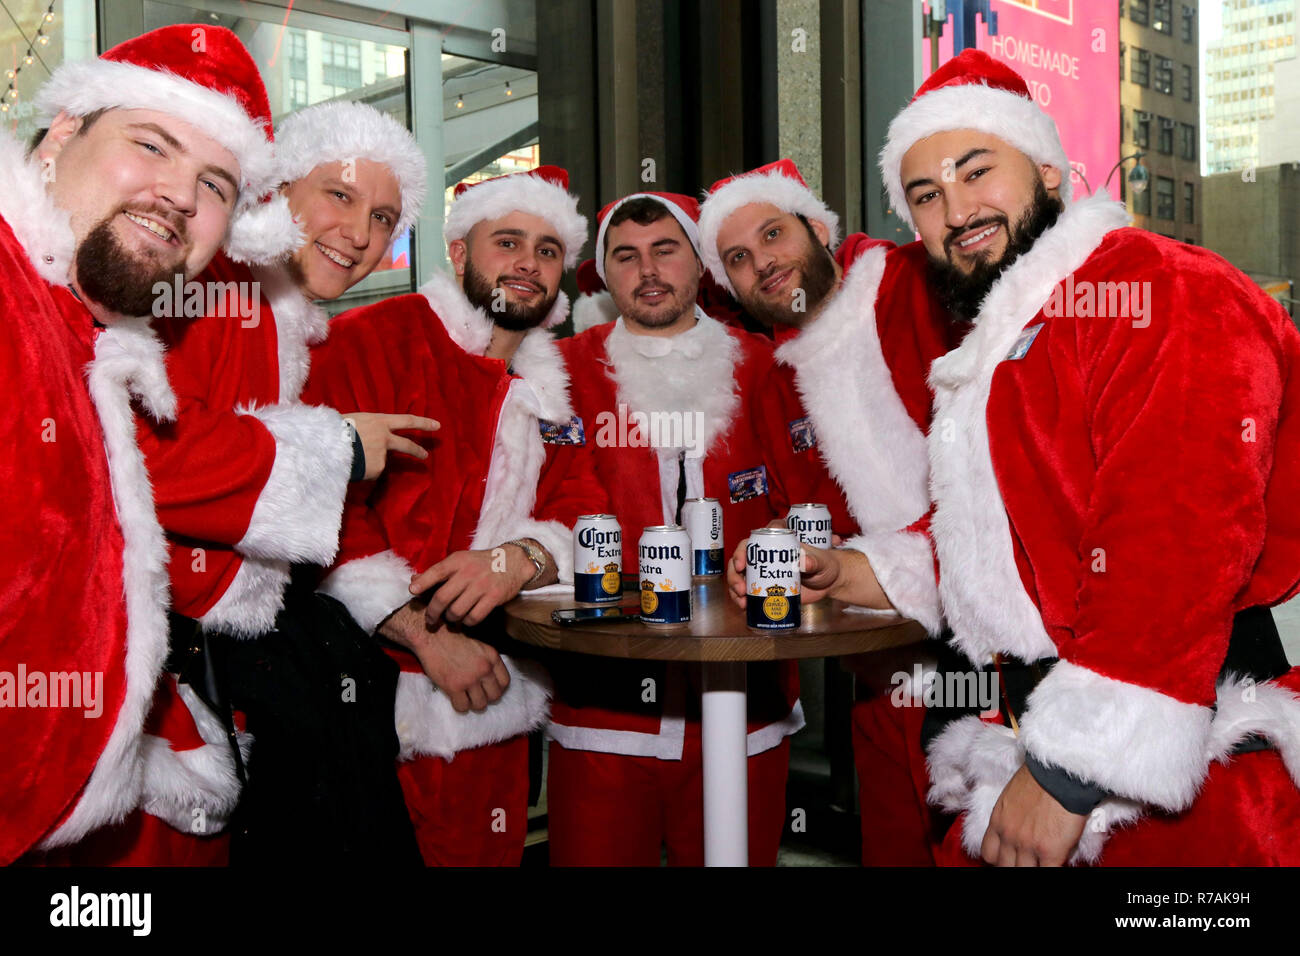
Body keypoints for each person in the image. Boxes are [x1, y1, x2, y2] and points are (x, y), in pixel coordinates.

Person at [738, 49, 1300, 866]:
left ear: (1044, 167)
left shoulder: (1157, 285)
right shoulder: (1009, 344)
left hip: (1185, 778)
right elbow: (1012, 533)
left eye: (976, 172)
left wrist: (1073, 771)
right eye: (926, 195)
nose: (956, 209)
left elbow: (1176, 537)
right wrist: (858, 571)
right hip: (1027, 743)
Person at [2, 24, 286, 863]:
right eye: (152, 145)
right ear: (62, 134)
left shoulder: (79, 329)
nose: (178, 196)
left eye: (214, 184)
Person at [307, 165, 604, 865]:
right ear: (462, 252)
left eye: (548, 249)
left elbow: (584, 503)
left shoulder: (550, 386)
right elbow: (318, 506)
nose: (529, 262)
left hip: (497, 694)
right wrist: (423, 634)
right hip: (367, 695)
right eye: (508, 242)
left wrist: (519, 560)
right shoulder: (370, 338)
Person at [700, 158, 953, 865]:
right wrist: (765, 551)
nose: (764, 265)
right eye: (739, 260)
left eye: (774, 234)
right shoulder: (779, 384)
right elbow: (791, 512)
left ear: (817, 227)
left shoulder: (918, 288)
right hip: (879, 675)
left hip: (1001, 666)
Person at [544, 191, 802, 866]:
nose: (647, 270)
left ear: (700, 264)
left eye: (666, 251)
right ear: (605, 275)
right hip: (602, 710)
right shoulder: (560, 372)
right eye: (625, 257)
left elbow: (805, 503)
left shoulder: (767, 366)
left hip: (747, 700)